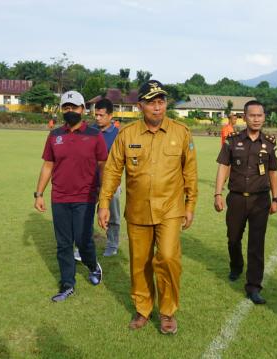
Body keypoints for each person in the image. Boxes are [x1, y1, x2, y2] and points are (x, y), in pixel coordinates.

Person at [97, 80, 197, 334]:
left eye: (161, 101)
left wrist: (190, 204)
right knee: (140, 263)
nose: (157, 107)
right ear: (140, 105)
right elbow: (112, 170)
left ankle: (167, 312)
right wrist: (105, 202)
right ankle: (143, 309)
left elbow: (190, 172)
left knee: (167, 258)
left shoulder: (181, 133)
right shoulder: (127, 134)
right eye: (151, 102)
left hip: (170, 210)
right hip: (139, 210)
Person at [34, 90, 107, 302]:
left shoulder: (95, 135)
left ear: (83, 109)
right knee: (63, 243)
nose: (70, 111)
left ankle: (93, 266)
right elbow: (48, 165)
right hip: (60, 197)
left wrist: (104, 195)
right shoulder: (55, 135)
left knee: (84, 241)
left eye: (74, 107)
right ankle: (67, 283)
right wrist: (39, 194)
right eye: (66, 107)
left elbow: (103, 167)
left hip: (85, 197)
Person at [214, 100, 277, 305]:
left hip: (260, 200)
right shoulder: (232, 140)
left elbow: (273, 171)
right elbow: (223, 166)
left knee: (256, 244)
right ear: (245, 116)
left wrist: (276, 198)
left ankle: (253, 286)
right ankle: (236, 265)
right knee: (233, 238)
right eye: (252, 115)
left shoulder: (269, 143)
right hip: (236, 198)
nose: (257, 119)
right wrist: (217, 193)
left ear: (264, 117)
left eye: (260, 115)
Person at [93, 98, 121, 257]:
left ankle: (112, 244)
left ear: (110, 116)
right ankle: (85, 243)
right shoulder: (89, 131)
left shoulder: (118, 135)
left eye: (101, 115)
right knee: (84, 215)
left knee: (113, 215)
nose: (97, 118)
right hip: (90, 182)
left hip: (111, 183)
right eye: (96, 114)